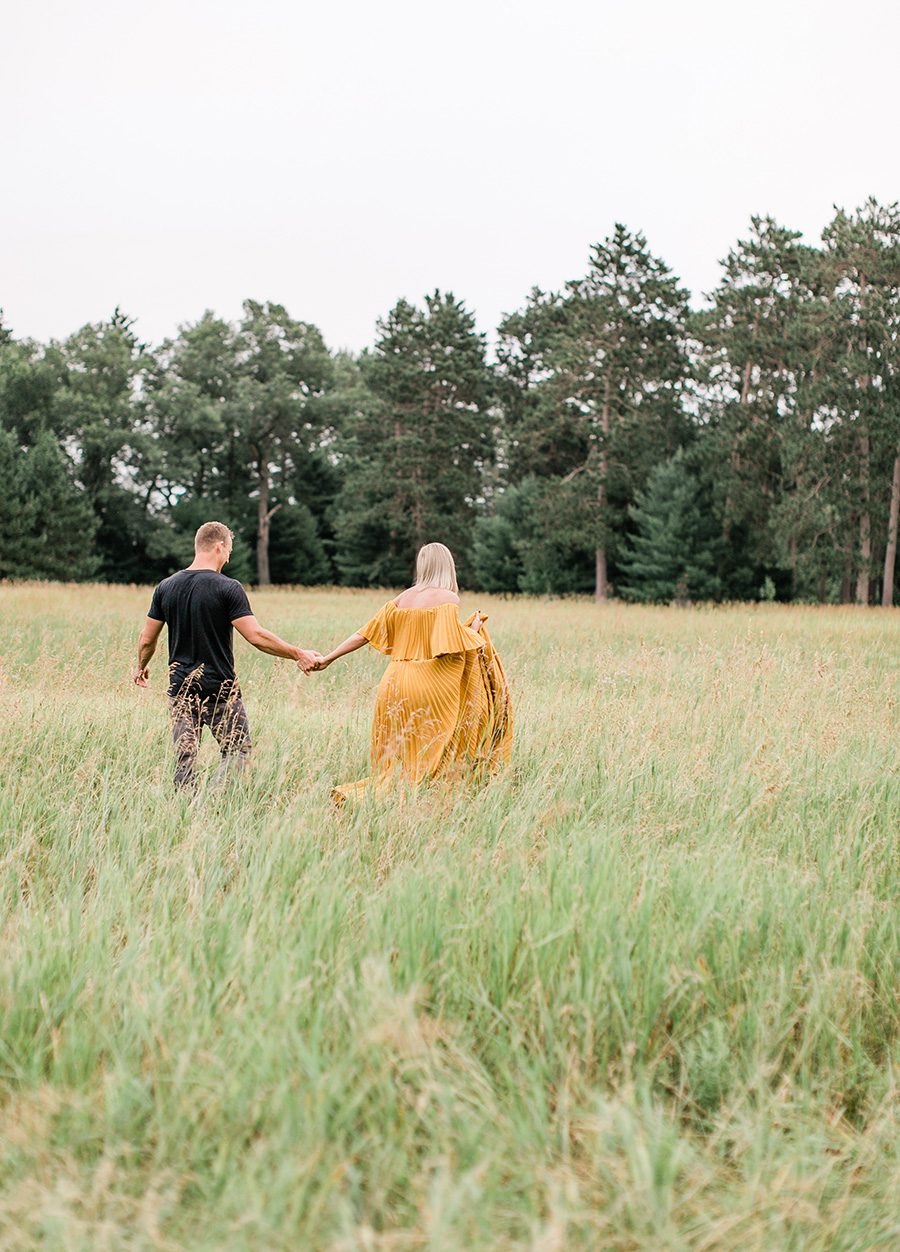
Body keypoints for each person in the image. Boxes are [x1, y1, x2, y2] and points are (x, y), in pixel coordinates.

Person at [315, 542, 512, 803]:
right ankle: (424, 802)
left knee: (397, 756)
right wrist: (474, 628)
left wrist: (329, 657)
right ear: (448, 567)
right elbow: (448, 645)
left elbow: (363, 633)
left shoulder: (402, 598)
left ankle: (381, 801)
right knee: (438, 747)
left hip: (394, 684)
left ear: (422, 565)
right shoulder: (449, 598)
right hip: (429, 684)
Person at [134, 521, 320, 789]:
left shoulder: (166, 586)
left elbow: (147, 639)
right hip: (220, 689)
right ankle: (214, 801)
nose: (228, 558)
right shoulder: (228, 587)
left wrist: (141, 666)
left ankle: (186, 811)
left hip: (180, 690)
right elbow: (255, 636)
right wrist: (297, 653)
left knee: (185, 758)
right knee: (237, 751)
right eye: (228, 552)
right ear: (219, 546)